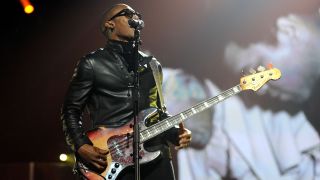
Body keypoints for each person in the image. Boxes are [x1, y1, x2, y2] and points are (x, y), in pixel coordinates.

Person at [61, 3, 191, 180]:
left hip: (156, 155)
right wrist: (81, 145)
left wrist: (175, 132)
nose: (136, 17)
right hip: (114, 157)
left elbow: (158, 112)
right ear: (109, 24)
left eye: (137, 14)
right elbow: (70, 110)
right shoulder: (92, 63)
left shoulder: (152, 65)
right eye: (128, 14)